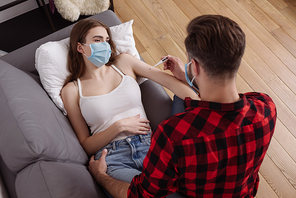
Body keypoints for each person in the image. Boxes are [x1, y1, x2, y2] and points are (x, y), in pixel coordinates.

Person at [88, 15, 277, 198]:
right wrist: (188, 79)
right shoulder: (266, 107)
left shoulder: (173, 134)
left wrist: (101, 177)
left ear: (194, 66)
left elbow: (142, 195)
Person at [61, 18, 198, 185]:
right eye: (97, 40)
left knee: (185, 97)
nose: (104, 45)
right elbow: (86, 145)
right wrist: (120, 126)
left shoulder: (123, 62)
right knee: (149, 191)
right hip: (114, 159)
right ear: (80, 47)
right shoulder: (72, 90)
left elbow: (170, 82)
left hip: (150, 145)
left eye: (106, 40)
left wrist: (202, 100)